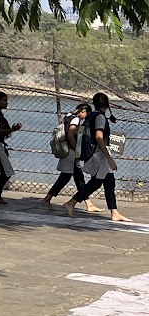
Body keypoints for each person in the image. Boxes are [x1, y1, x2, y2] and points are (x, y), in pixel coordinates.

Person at [67, 93, 127, 223]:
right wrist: (109, 158)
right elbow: (99, 137)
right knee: (97, 182)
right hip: (99, 153)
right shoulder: (100, 117)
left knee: (109, 181)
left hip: (93, 152)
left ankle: (114, 212)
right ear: (106, 104)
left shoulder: (90, 115)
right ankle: (71, 202)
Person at [42, 102, 92, 210]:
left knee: (77, 177)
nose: (85, 117)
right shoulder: (76, 119)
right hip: (70, 152)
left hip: (67, 150)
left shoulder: (68, 116)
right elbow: (70, 135)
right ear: (83, 111)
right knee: (67, 177)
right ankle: (47, 198)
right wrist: (77, 149)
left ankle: (88, 203)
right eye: (86, 114)